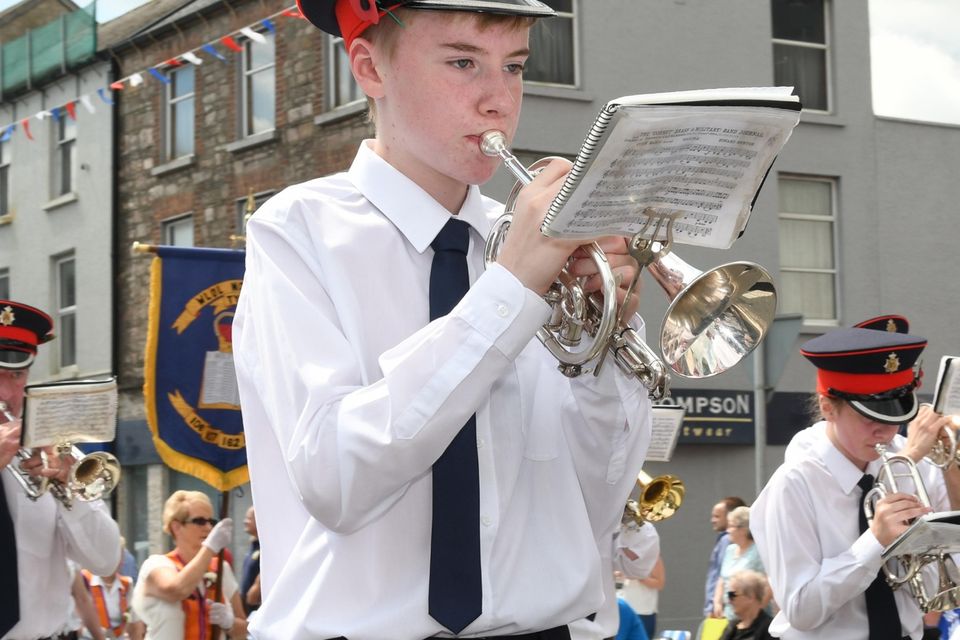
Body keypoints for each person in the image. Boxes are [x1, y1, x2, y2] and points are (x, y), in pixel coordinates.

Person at [232, 0, 654, 638]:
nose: (498, 102)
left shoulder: (536, 243)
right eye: (463, 62)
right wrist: (508, 292)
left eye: (513, 68)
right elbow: (335, 481)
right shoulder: (297, 231)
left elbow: (596, 498)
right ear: (370, 69)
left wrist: (603, 338)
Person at [752, 326, 959, 639]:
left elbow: (947, 575)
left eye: (893, 417)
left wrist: (951, 465)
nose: (886, 432)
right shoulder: (795, 483)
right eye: (869, 417)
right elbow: (800, 610)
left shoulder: (910, 466)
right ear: (827, 408)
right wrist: (874, 542)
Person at [0, 299, 122, 640]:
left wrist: (71, 489)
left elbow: (107, 561)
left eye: (16, 374)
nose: (6, 393)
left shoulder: (46, 447)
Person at [130, 491, 246, 639]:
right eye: (199, 521)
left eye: (211, 521)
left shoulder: (221, 568)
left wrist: (230, 623)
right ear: (176, 527)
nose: (208, 528)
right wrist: (210, 548)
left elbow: (245, 629)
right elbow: (176, 590)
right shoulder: (156, 565)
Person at [712, 506, 766, 621]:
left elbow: (768, 584)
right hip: (729, 616)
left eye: (731, 526)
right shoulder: (730, 550)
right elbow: (722, 579)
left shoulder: (758, 551)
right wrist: (717, 602)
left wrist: (755, 612)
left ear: (744, 529)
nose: (727, 530)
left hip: (753, 618)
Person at [80, 548, 145, 640]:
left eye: (120, 557)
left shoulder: (126, 584)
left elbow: (135, 622)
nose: (117, 561)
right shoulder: (85, 579)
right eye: (113, 556)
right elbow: (76, 621)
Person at [704, 497, 746, 617]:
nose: (712, 520)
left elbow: (720, 576)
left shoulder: (727, 540)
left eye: (717, 516)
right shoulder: (727, 540)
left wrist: (713, 605)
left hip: (721, 609)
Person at [717, 570, 773, 640]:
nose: (729, 601)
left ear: (750, 597)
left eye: (732, 595)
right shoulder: (731, 628)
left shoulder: (770, 630)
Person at [620, 554, 664, 639]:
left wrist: (637, 577)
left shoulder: (652, 555)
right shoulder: (623, 554)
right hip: (625, 609)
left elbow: (660, 583)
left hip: (644, 611)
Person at [239, 506, 260, 617]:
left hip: (258, 610)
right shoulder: (253, 546)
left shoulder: (266, 547)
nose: (244, 521)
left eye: (249, 518)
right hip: (246, 609)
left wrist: (258, 584)